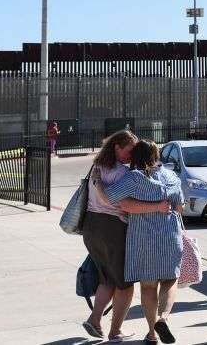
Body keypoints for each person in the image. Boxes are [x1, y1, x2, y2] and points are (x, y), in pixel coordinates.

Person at [80, 130, 169, 342]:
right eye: (129, 150)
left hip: (91, 226)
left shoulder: (98, 166)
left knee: (107, 278)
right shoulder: (123, 173)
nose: (131, 155)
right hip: (112, 229)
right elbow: (122, 203)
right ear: (117, 147)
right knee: (125, 283)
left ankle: (94, 320)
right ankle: (115, 331)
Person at [106, 140, 185, 345]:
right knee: (170, 279)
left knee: (148, 287)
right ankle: (163, 318)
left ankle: (152, 333)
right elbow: (180, 207)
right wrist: (161, 206)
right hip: (170, 235)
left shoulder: (133, 178)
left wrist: (97, 183)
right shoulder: (170, 176)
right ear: (156, 156)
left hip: (143, 238)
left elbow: (113, 198)